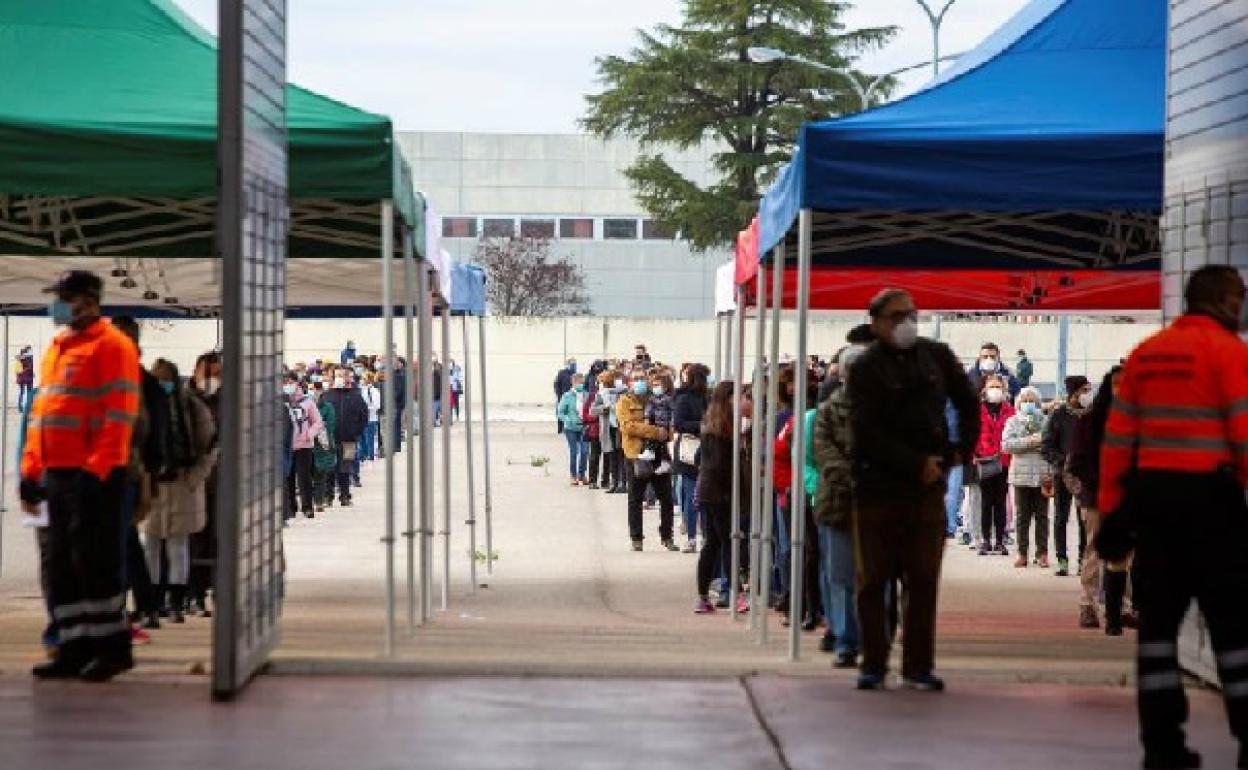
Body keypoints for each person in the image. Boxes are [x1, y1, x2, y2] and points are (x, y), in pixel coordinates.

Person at [1098, 266, 1248, 770]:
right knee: (1233, 630)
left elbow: (1117, 443)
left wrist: (1112, 515)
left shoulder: (1146, 355)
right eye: (1240, 297)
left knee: (1157, 631)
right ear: (1225, 299)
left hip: (1153, 510)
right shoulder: (1229, 352)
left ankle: (1162, 745)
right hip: (1213, 509)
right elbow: (1245, 436)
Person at [848, 288, 978, 692]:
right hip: (877, 489)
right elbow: (864, 431)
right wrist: (913, 463)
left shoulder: (936, 356)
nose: (906, 322)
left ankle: (918, 665)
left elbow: (967, 402)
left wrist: (959, 452)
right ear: (876, 322)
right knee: (873, 582)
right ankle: (873, 663)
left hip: (927, 490)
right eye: (896, 315)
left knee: (922, 580)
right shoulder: (866, 367)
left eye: (911, 314)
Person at [20, 270, 141, 681]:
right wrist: (30, 471)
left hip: (94, 476)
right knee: (61, 565)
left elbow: (119, 414)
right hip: (57, 474)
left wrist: (98, 469)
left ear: (88, 301)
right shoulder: (58, 348)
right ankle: (72, 648)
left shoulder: (112, 347)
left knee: (96, 562)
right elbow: (43, 416)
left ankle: (112, 649)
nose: (58, 306)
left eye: (65, 298)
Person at [142, 359, 218, 625]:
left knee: (176, 547)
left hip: (180, 485)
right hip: (153, 486)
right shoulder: (148, 404)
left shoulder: (190, 407)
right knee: (152, 546)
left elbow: (208, 447)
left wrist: (193, 479)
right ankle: (155, 601)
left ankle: (173, 602)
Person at [812, 343, 867, 668]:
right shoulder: (828, 411)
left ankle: (874, 637)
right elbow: (824, 453)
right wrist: (856, 475)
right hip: (838, 502)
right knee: (842, 574)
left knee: (876, 576)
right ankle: (847, 639)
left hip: (877, 504)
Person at [1068, 366, 1132, 634]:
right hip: (1096, 496)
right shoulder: (1090, 421)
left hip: (1126, 497)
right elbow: (1080, 461)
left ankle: (1123, 608)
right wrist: (1099, 485)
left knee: (1125, 553)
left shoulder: (1134, 421)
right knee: (1094, 549)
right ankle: (1089, 605)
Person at [693, 381, 746, 613]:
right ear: (729, 399)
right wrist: (728, 489)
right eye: (739, 396)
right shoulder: (724, 428)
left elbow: (700, 460)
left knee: (714, 543)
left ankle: (703, 596)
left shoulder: (711, 425)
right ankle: (736, 594)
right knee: (728, 542)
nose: (743, 400)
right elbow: (718, 465)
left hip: (709, 491)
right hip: (719, 493)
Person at [618, 371, 677, 551]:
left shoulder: (658, 399)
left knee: (666, 499)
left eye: (642, 378)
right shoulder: (625, 402)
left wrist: (667, 432)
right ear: (629, 382)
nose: (640, 382)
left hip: (659, 454)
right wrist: (654, 431)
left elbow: (669, 422)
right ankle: (637, 538)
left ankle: (667, 536)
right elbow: (628, 427)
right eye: (636, 379)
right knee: (635, 499)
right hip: (636, 455)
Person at [1041, 374, 1092, 577]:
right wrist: (1063, 462)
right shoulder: (1058, 415)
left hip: (1085, 475)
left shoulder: (1092, 415)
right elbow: (1046, 446)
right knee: (1061, 517)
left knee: (1084, 519)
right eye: (1084, 391)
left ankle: (1083, 559)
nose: (1087, 395)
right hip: (1062, 474)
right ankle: (1062, 560)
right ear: (1074, 393)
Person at [187, 350, 222, 617]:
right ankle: (195, 593)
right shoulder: (185, 402)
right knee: (195, 540)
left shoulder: (230, 401)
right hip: (193, 483)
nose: (212, 378)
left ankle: (221, 590)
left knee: (220, 540)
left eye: (217, 373)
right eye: (207, 373)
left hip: (223, 483)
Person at [1002, 386, 1049, 568]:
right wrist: (1030, 442)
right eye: (1025, 400)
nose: (1028, 404)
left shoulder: (1045, 421)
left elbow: (1049, 444)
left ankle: (1042, 553)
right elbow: (1007, 445)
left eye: (1032, 400)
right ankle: (1022, 553)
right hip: (1020, 476)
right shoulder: (1013, 422)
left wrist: (1036, 444)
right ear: (1019, 402)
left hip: (1042, 474)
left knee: (1042, 516)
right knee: (1022, 517)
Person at [974, 374, 1014, 557]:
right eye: (992, 386)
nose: (995, 390)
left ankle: (999, 540)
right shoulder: (978, 410)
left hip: (1004, 460)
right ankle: (985, 540)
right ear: (985, 390)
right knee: (986, 502)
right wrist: (975, 454)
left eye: (998, 387)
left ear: (1004, 390)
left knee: (1000, 502)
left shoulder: (1010, 411)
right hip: (985, 459)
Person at [672, 364, 710, 553]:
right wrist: (701, 425)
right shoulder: (684, 398)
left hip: (707, 450)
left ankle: (704, 536)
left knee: (704, 497)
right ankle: (692, 537)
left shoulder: (708, 398)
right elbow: (678, 424)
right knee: (691, 497)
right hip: (689, 452)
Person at [322, 372, 368, 506]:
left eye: (344, 376)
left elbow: (363, 416)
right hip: (330, 440)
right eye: (338, 376)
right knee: (329, 468)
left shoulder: (356, 396)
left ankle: (345, 496)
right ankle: (328, 496)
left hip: (349, 439)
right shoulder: (327, 395)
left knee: (346, 468)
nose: (341, 379)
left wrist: (356, 432)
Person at [283, 375, 324, 518]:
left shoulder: (308, 402)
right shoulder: (281, 401)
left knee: (304, 478)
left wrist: (308, 434)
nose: (289, 385)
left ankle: (307, 507)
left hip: (304, 446)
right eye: (286, 382)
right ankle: (291, 507)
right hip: (287, 446)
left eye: (291, 382)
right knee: (288, 477)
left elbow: (318, 422)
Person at [557, 373, 590, 485]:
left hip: (584, 427)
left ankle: (582, 475)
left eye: (582, 382)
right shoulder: (567, 396)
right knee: (574, 451)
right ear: (573, 383)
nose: (580, 384)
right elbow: (560, 412)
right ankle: (573, 475)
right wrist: (567, 420)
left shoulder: (587, 395)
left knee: (585, 451)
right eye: (578, 382)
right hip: (570, 428)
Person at [360, 372, 382, 463]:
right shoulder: (361, 390)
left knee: (370, 439)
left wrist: (366, 408)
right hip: (362, 419)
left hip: (371, 419)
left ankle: (370, 456)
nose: (362, 380)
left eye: (364, 378)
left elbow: (377, 406)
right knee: (362, 439)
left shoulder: (374, 391)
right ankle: (363, 456)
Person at [553, 358, 577, 433]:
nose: (574, 366)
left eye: (575, 364)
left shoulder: (575, 374)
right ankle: (560, 429)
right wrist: (559, 395)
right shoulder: (562, 373)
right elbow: (556, 384)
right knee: (561, 412)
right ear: (568, 364)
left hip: (572, 397)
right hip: (562, 396)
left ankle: (569, 427)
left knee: (571, 412)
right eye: (572, 364)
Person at [16, 343, 34, 411]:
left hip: (25, 377)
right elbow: (29, 367)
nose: (31, 351)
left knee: (24, 392)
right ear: (27, 350)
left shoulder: (27, 357)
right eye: (30, 349)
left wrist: (32, 373)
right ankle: (23, 407)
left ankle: (23, 407)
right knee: (26, 392)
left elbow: (29, 367)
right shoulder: (25, 357)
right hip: (25, 377)